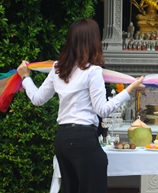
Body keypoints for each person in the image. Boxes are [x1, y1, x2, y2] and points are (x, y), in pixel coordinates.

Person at [17, 18, 145, 193]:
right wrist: (130, 89)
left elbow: (37, 99)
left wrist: (26, 78)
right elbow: (103, 109)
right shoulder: (93, 71)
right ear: (94, 42)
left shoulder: (57, 68)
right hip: (83, 139)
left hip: (62, 138)